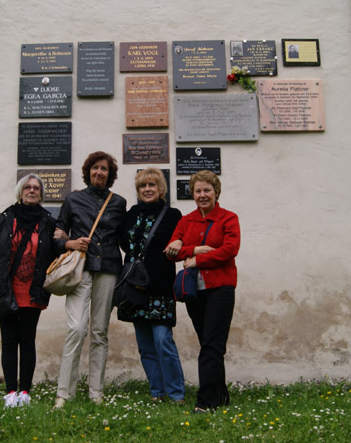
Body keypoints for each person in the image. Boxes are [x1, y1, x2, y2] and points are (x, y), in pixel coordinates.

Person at [0, 174, 62, 408]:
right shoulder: (3, 219)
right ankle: (11, 391)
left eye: (36, 188)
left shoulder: (48, 222)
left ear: (41, 194)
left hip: (33, 290)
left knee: (27, 339)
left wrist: (66, 239)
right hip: (6, 289)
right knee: (9, 341)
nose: (32, 191)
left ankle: (25, 392)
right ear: (20, 192)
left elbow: (56, 251)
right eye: (27, 187)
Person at [53, 151, 126, 408]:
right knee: (76, 329)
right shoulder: (72, 199)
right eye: (95, 168)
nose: (99, 172)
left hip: (108, 269)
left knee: (99, 332)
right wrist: (70, 243)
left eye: (104, 169)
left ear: (110, 174)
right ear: (88, 171)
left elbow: (124, 238)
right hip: (80, 269)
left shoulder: (118, 202)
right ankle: (64, 394)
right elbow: (57, 234)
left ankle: (96, 393)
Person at [164, 170, 240, 413]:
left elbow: (229, 250)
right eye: (198, 191)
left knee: (212, 345)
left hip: (220, 289)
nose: (202, 195)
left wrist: (197, 260)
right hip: (194, 291)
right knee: (209, 343)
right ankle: (222, 395)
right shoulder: (186, 221)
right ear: (193, 194)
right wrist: (195, 250)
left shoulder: (228, 219)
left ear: (216, 192)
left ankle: (206, 402)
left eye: (207, 190)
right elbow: (170, 252)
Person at [117, 168, 185, 403]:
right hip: (135, 288)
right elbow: (120, 239)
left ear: (161, 188)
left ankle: (176, 393)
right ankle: (157, 392)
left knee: (163, 340)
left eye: (152, 185)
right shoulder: (130, 214)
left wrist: (179, 242)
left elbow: (181, 239)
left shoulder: (173, 215)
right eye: (143, 186)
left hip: (160, 286)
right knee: (145, 345)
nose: (147, 189)